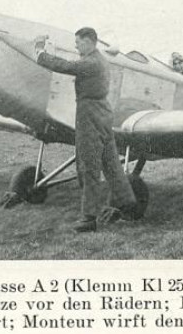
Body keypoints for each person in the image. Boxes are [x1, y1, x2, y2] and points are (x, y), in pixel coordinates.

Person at [34, 28, 138, 232]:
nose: (76, 46)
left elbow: (63, 65)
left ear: (90, 42)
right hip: (101, 113)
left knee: (88, 164)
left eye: (78, 42)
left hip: (89, 114)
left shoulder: (91, 62)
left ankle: (89, 218)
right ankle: (129, 206)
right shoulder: (98, 59)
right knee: (111, 163)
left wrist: (39, 51)